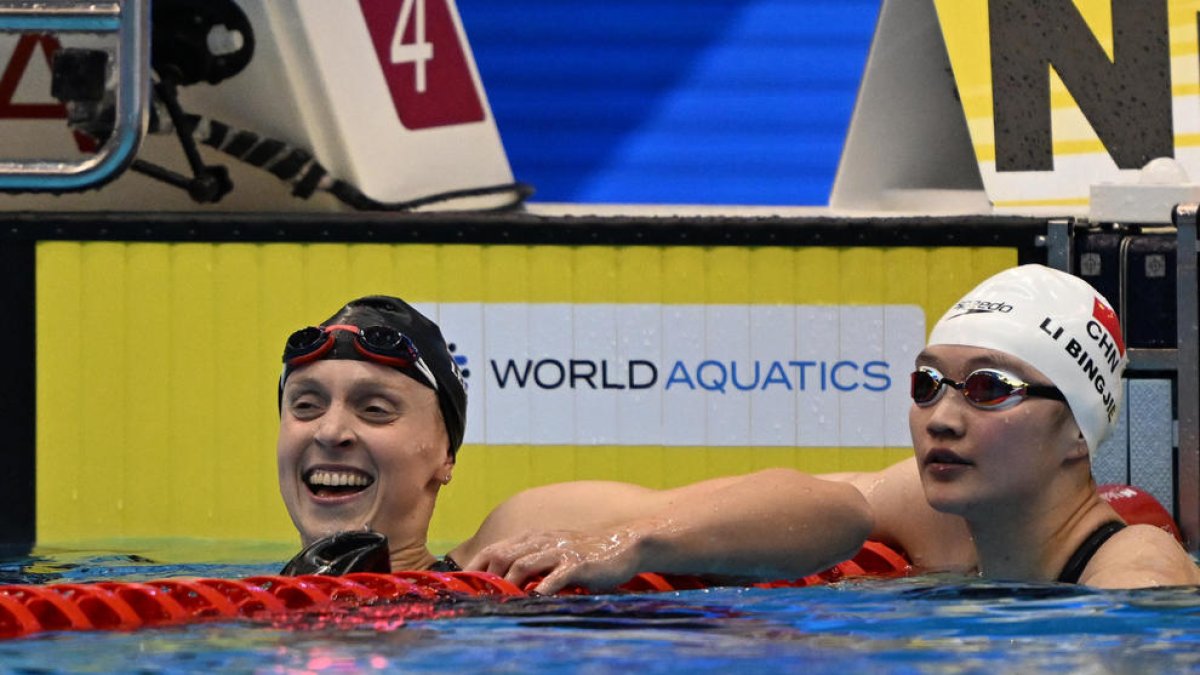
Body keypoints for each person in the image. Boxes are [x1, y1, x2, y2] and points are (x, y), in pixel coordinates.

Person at [458, 265, 1200, 591]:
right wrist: (633, 538)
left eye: (987, 390)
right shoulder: (947, 518)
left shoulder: (1136, 573)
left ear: (1078, 431)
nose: (941, 417)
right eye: (927, 384)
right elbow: (825, 501)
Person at [276, 295, 873, 579]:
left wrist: (624, 542)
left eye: (374, 409)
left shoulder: (512, 546)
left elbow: (835, 512)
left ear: (444, 455)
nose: (330, 430)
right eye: (306, 406)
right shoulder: (239, 602)